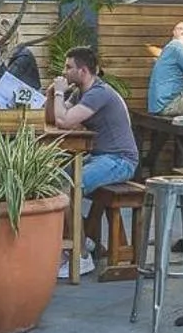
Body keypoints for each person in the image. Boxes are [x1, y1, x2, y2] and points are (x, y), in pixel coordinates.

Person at [46, 47, 141, 277]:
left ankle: (80, 255)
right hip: (100, 157)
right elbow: (52, 117)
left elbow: (64, 122)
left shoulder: (98, 93)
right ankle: (82, 240)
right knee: (51, 181)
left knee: (67, 189)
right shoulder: (80, 92)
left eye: (69, 68)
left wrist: (59, 94)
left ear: (83, 70)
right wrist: (52, 95)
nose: (64, 72)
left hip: (119, 160)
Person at [0, 45, 45, 110]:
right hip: (16, 102)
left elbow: (5, 81)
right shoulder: (7, 55)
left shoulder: (24, 56)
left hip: (30, 105)